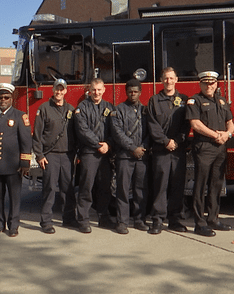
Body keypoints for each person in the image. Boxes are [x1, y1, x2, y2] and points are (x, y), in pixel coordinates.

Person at [186, 71, 234, 237]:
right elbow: (195, 124)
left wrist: (227, 134)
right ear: (200, 84)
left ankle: (213, 218)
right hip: (204, 148)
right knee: (200, 185)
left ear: (216, 84)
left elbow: (231, 123)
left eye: (212, 83)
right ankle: (199, 223)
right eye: (206, 83)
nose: (209, 86)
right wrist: (216, 135)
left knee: (216, 184)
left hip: (220, 148)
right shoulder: (195, 101)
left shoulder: (221, 101)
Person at [146, 67, 189, 234]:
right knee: (160, 186)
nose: (168, 81)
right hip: (161, 151)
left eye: (171, 78)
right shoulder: (154, 101)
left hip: (178, 151)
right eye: (166, 78)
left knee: (178, 186)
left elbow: (187, 124)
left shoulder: (184, 100)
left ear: (176, 79)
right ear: (161, 80)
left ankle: (175, 220)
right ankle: (157, 220)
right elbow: (152, 126)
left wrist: (176, 141)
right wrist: (165, 142)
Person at [0, 83, 32, 237]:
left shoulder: (20, 116)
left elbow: (26, 141)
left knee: (14, 198)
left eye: (6, 97)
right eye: (0, 97)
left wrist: (25, 162)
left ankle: (13, 225)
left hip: (13, 165)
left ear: (11, 98)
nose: (3, 100)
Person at [33, 78, 77, 234]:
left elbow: (76, 134)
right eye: (57, 89)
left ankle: (69, 218)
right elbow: (37, 135)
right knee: (49, 188)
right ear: (52, 90)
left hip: (67, 155)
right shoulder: (43, 108)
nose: (59, 92)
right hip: (50, 155)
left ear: (65, 91)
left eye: (62, 89)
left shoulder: (71, 109)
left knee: (68, 189)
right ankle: (46, 221)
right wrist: (39, 155)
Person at [73, 78, 115, 233]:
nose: (96, 93)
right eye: (94, 90)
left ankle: (104, 217)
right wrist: (99, 145)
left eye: (99, 90)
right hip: (89, 153)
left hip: (105, 152)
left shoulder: (109, 107)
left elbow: (115, 129)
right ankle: (83, 219)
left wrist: (108, 144)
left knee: (105, 186)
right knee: (86, 187)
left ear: (104, 90)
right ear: (89, 91)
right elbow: (82, 131)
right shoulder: (82, 108)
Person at [110, 79, 151, 234]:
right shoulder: (118, 110)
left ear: (140, 92)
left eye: (135, 91)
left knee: (141, 190)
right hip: (124, 156)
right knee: (123, 190)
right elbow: (117, 133)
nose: (133, 94)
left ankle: (139, 220)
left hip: (142, 156)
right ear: (126, 92)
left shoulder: (146, 111)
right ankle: (122, 222)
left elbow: (150, 132)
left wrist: (143, 148)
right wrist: (133, 148)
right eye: (130, 91)